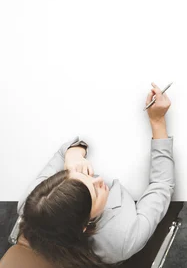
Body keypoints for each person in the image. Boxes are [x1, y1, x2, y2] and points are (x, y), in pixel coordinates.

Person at [15, 83, 174, 268]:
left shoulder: (34, 204)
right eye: (95, 192)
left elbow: (63, 152)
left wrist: (73, 153)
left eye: (80, 176)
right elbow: (162, 185)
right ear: (85, 226)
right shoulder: (122, 239)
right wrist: (158, 121)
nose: (99, 179)